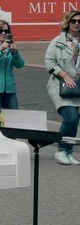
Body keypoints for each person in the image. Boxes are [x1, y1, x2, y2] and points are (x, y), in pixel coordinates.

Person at [45, 10, 80, 165]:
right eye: (74, 21)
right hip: (60, 85)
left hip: (77, 87)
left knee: (75, 121)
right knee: (70, 117)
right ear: (68, 23)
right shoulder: (57, 42)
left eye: (79, 21)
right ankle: (60, 150)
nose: (77, 24)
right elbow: (50, 62)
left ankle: (69, 151)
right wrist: (65, 75)